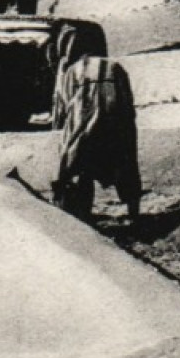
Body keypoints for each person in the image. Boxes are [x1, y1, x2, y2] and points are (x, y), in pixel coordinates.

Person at [50, 30, 141, 223]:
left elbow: (65, 104)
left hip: (83, 127)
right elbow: (127, 99)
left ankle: (81, 212)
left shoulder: (73, 71)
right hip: (115, 124)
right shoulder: (115, 66)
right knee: (126, 163)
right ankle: (135, 214)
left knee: (76, 165)